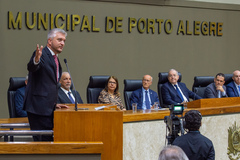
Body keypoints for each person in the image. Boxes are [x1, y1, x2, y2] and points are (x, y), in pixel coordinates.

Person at [23, 28, 68, 141]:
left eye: (64, 40)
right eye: (59, 40)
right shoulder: (42, 54)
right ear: (49, 41)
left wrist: (54, 103)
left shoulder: (55, 59)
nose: (62, 43)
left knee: (49, 145)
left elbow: (50, 84)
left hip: (48, 108)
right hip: (38, 109)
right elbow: (32, 67)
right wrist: (36, 60)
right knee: (42, 146)